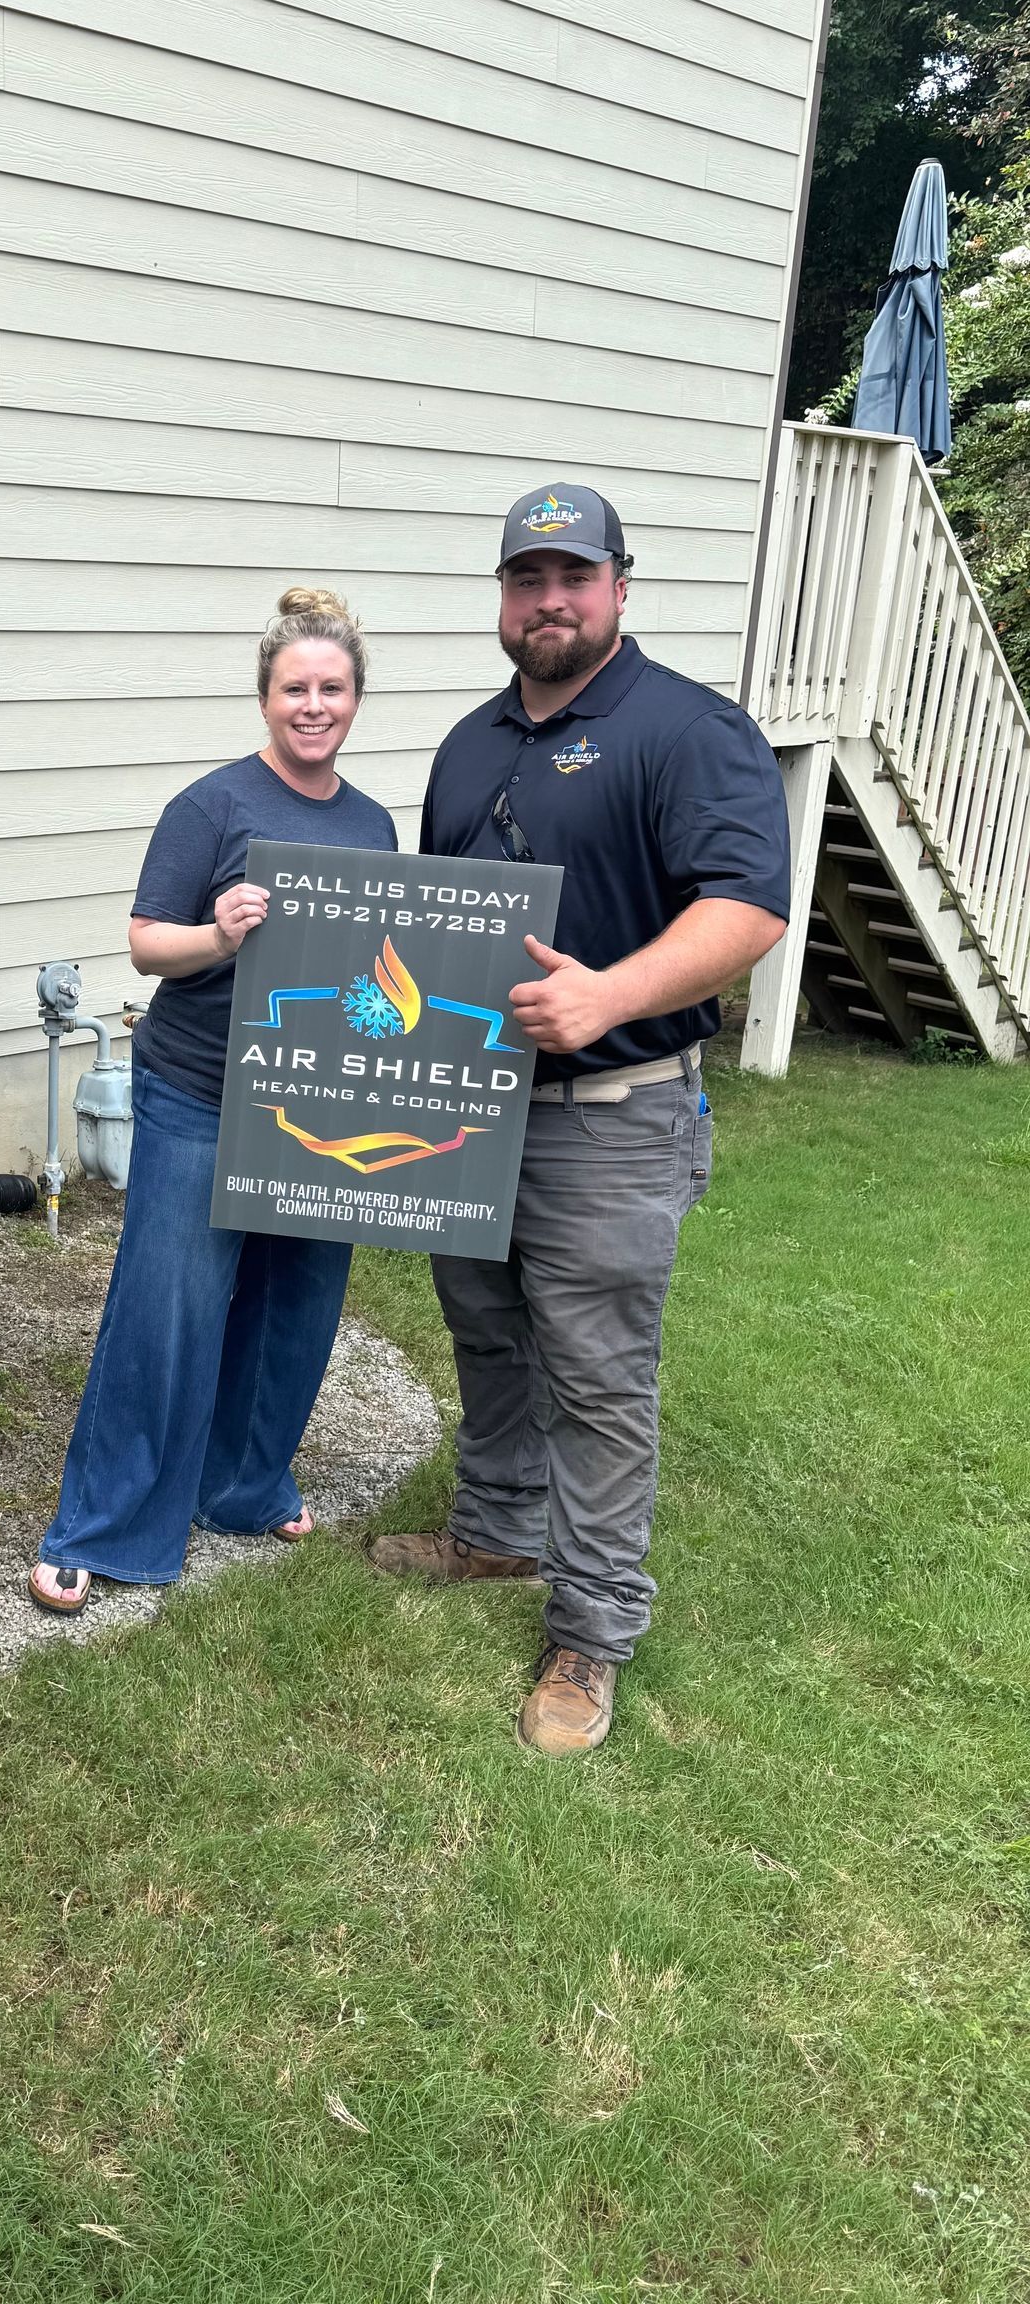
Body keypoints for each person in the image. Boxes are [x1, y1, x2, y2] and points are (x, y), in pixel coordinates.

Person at [368, 483, 790, 1755]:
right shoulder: (468, 743)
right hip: (472, 1103)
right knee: (486, 1329)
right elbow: (436, 926)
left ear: (620, 586)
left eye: (573, 576)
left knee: (599, 1376)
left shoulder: (688, 729)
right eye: (525, 578)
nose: (549, 600)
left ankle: (593, 1628)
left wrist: (609, 995)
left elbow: (750, 906)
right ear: (503, 596)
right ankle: (496, 1528)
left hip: (613, 1115)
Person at [29, 590, 399, 1616]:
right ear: (266, 697)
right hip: (199, 1091)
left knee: (296, 1307)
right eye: (295, 689)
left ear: (356, 697)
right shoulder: (215, 806)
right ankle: (104, 1526)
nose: (313, 705)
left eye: (331, 688)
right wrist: (221, 934)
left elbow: (379, 970)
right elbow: (149, 942)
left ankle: (241, 1486)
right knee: (171, 1310)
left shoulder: (373, 823)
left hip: (319, 1102)